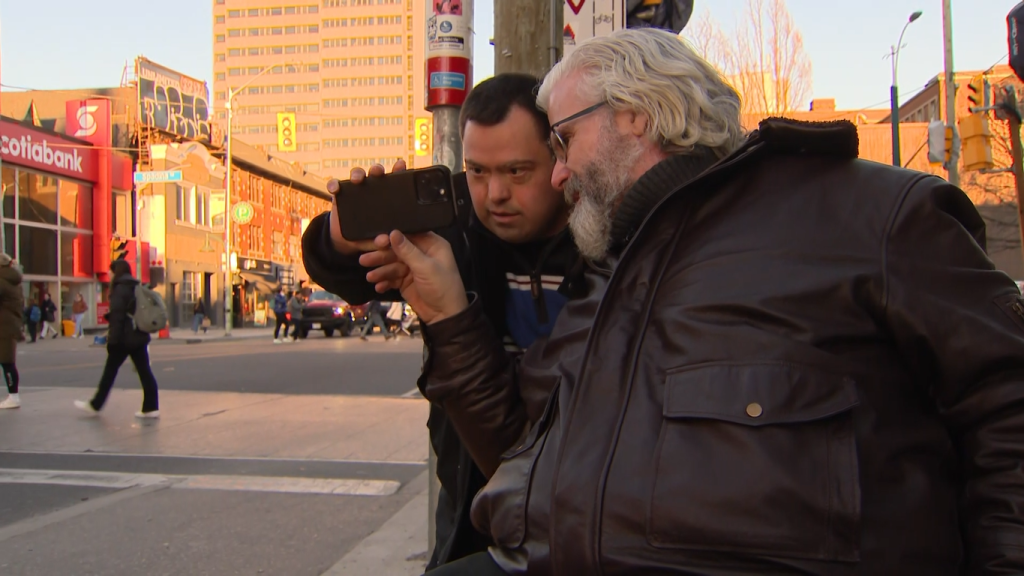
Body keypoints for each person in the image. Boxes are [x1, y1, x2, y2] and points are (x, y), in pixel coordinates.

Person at [369, 29, 1024, 575]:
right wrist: (446, 311)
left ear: (636, 113)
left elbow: (1006, 403)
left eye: (564, 141)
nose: (558, 172)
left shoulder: (870, 214)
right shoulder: (611, 278)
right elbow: (517, 450)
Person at [301, 73, 578, 569]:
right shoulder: (448, 221)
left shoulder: (598, 232)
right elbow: (346, 270)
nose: (494, 193)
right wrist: (342, 238)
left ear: (559, 158)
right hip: (473, 487)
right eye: (476, 171)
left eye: (517, 171)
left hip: (577, 487)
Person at [75, 260, 159, 419]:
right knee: (144, 372)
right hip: (138, 335)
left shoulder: (119, 289)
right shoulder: (136, 286)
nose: (108, 274)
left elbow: (117, 317)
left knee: (110, 372)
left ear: (116, 272)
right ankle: (151, 407)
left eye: (110, 271)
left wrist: (112, 341)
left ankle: (96, 404)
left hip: (123, 338)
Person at [0, 255, 24, 409]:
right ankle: (13, 396)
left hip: (4, 326)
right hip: (9, 325)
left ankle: (13, 397)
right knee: (7, 361)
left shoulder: (2, 281)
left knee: (7, 362)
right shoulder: (13, 282)